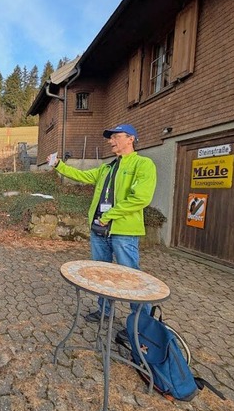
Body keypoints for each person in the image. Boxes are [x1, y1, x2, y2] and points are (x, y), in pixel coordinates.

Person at [49, 124, 157, 334]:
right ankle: (105, 311)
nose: (111, 141)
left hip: (123, 232)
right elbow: (82, 176)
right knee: (102, 273)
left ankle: (141, 325)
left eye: (116, 137)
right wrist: (59, 165)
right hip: (99, 230)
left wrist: (109, 216)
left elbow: (141, 198)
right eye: (110, 138)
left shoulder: (143, 164)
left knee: (131, 277)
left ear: (130, 139)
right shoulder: (107, 167)